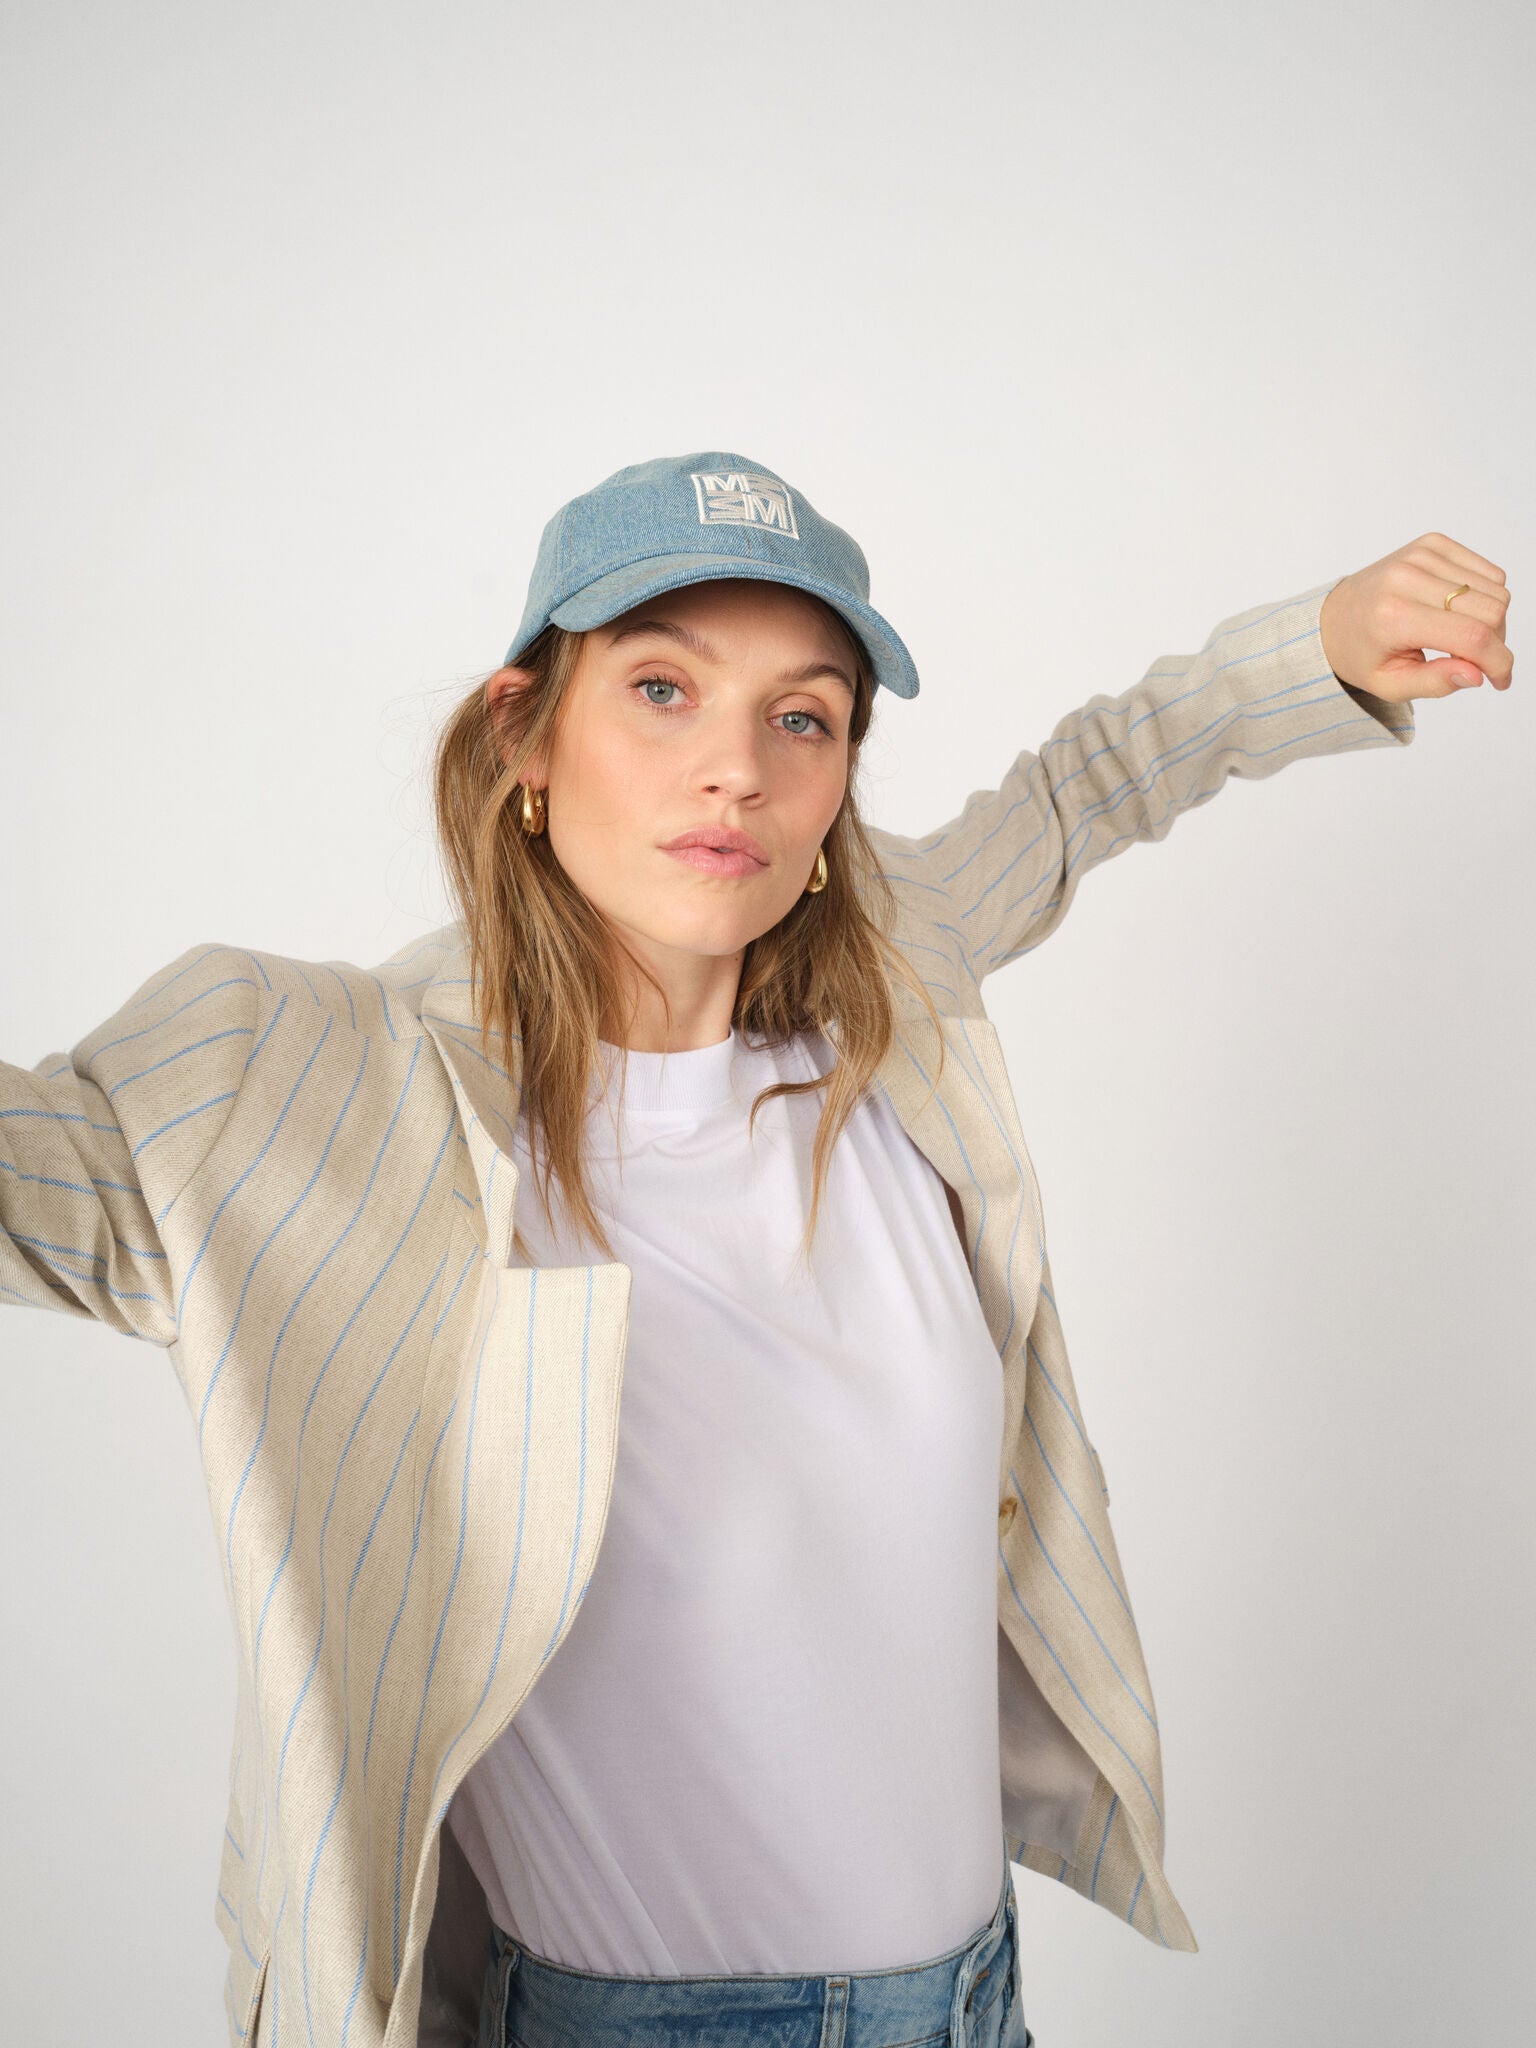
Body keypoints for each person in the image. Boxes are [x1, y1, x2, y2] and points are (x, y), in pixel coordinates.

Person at [0, 452, 1511, 2048]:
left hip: (974, 2005)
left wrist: (1316, 644)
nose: (736, 770)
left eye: (803, 718)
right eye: (661, 690)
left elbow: (1089, 785)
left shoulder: (895, 994)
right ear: (524, 733)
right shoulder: (322, 1100)